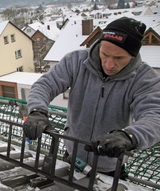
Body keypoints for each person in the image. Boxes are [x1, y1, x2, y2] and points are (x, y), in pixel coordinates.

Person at [23, 17, 160, 176]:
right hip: (72, 157)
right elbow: (45, 85)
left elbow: (154, 116)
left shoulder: (145, 79)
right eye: (105, 54)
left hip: (110, 167)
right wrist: (37, 110)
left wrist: (130, 136)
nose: (109, 64)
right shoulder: (76, 61)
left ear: (133, 55)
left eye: (119, 58)